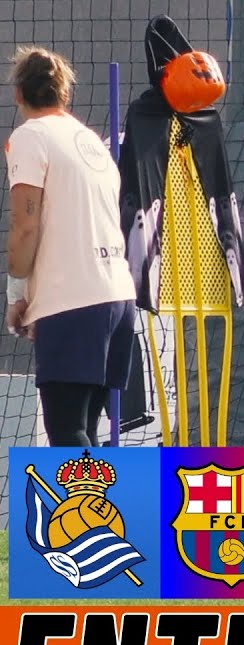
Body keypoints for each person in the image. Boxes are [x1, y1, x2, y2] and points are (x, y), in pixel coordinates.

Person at [4, 47, 137, 447]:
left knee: (66, 432)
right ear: (64, 93)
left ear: (19, 95)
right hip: (117, 299)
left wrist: (17, 294)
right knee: (85, 430)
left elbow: (25, 227)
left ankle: (97, 511)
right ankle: (107, 507)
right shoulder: (89, 141)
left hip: (73, 303)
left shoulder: (30, 137)